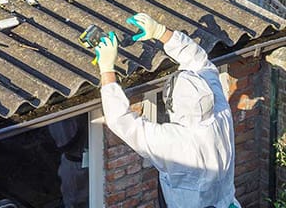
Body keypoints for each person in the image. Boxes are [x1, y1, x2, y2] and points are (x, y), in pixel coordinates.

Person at [95, 13, 240, 208]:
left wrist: (106, 68)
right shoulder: (220, 112)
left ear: (172, 105)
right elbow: (200, 62)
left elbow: (120, 119)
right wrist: (160, 32)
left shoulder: (174, 142)